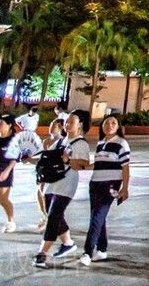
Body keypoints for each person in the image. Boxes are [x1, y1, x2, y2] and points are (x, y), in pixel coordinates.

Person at [35, 110, 92, 268]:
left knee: (53, 217)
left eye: (71, 122)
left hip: (66, 185)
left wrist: (68, 160)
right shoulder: (60, 141)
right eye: (66, 121)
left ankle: (42, 253)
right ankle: (68, 243)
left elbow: (84, 164)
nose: (67, 124)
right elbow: (46, 158)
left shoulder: (80, 143)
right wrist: (29, 159)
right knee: (55, 215)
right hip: (51, 183)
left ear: (80, 124)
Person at [80, 114, 130, 266]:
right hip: (95, 184)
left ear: (118, 127)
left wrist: (125, 188)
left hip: (110, 185)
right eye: (106, 123)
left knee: (96, 218)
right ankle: (101, 249)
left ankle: (87, 252)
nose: (109, 125)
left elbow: (126, 168)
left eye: (113, 123)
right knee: (97, 218)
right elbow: (98, 164)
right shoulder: (101, 143)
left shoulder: (122, 143)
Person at [33, 118, 67, 230]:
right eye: (50, 125)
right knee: (40, 191)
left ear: (60, 127)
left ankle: (52, 217)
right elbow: (43, 156)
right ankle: (45, 215)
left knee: (50, 194)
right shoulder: (47, 141)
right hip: (44, 170)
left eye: (53, 125)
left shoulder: (64, 141)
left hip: (55, 172)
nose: (50, 128)